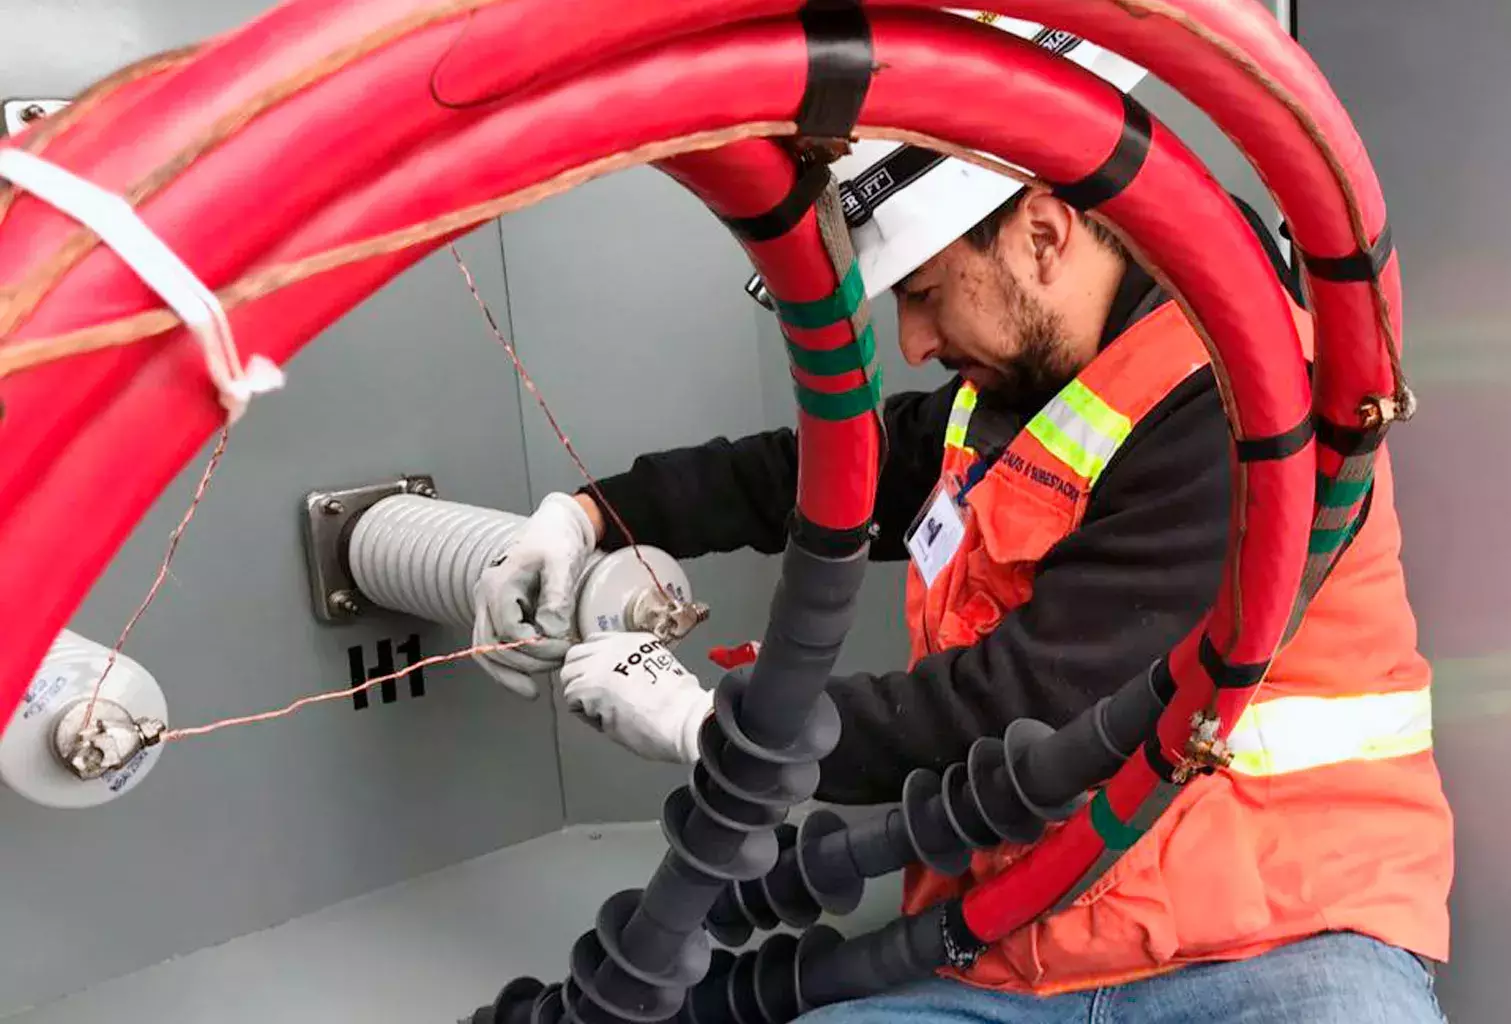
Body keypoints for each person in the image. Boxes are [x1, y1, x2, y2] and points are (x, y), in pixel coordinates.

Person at [471, 33, 1452, 1024]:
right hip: (1007, 963)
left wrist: (714, 731)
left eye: (925, 293)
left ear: (1041, 234)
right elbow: (807, 473)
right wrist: (589, 513)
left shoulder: (1246, 409)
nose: (913, 342)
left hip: (1279, 953)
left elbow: (1025, 698)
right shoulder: (1023, 398)